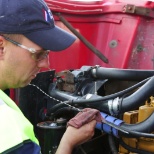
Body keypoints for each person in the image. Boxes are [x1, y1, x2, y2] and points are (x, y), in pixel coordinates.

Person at [0, 0, 97, 153]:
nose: (46, 64)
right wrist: (68, 142)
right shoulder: (11, 135)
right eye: (38, 54)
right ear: (1, 47)